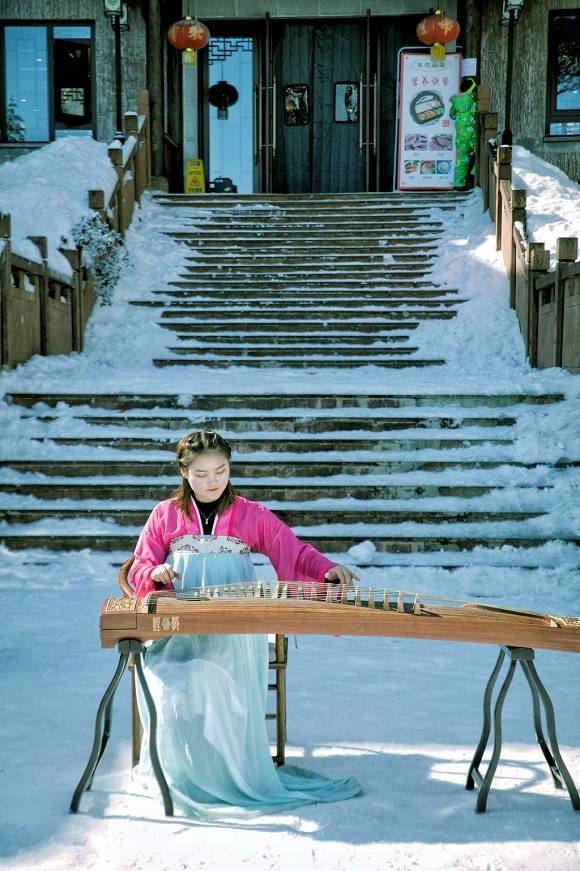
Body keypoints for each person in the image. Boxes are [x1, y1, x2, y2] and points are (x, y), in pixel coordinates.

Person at [129, 429, 362, 819]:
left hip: (234, 631)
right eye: (201, 474)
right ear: (184, 473)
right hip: (179, 631)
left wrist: (326, 569)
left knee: (216, 681)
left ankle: (231, 772)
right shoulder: (164, 515)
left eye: (220, 470)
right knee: (171, 682)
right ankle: (183, 772)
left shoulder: (250, 514)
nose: (212, 481)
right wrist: (156, 573)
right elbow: (139, 564)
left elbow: (293, 550)